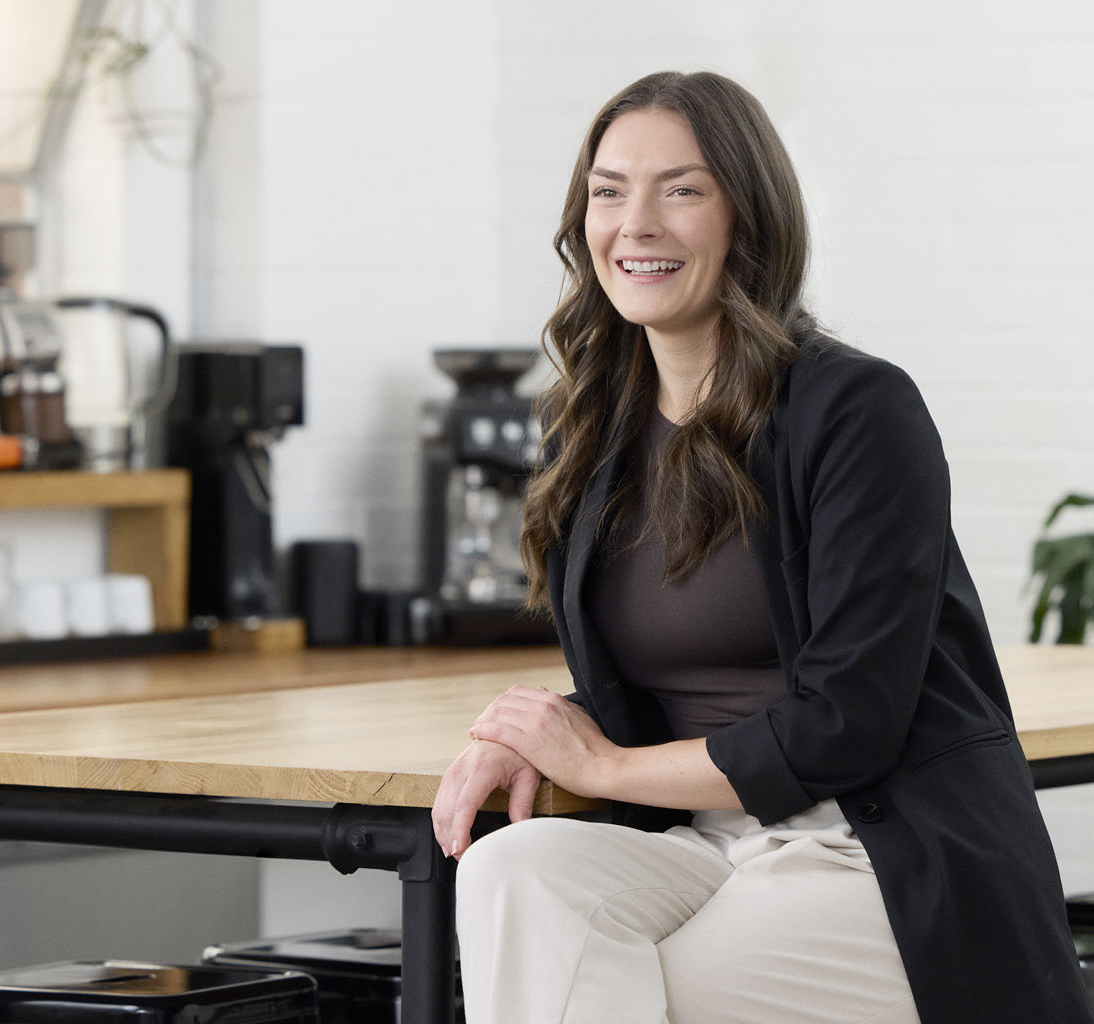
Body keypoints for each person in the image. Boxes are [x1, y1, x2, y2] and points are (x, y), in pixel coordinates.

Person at [429, 70, 1093, 1024]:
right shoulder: (594, 430)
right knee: (512, 873)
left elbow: (849, 719)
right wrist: (533, 734)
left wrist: (602, 768)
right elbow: (677, 674)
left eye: (682, 189)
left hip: (872, 847)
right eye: (609, 191)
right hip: (704, 844)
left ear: (750, 214)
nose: (637, 223)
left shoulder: (859, 410)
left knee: (659, 986)